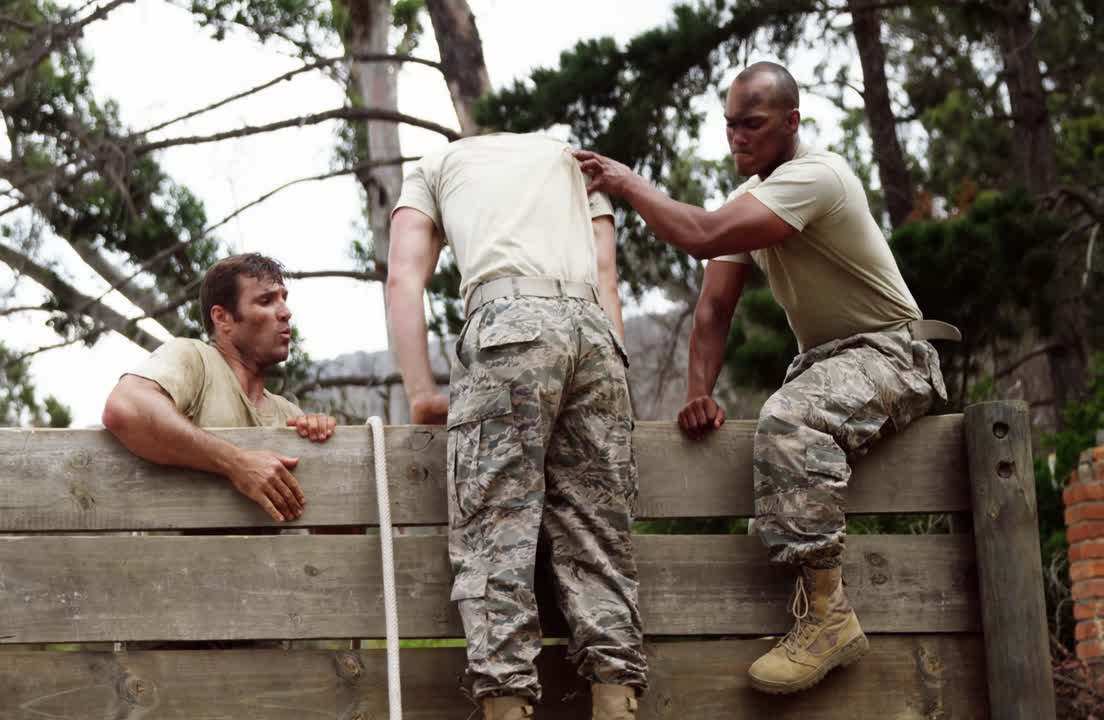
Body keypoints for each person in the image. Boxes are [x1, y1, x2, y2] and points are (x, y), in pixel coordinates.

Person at [574, 61, 957, 695]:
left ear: (791, 122)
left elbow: (701, 235)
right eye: (729, 125)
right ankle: (809, 609)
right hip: (831, 364)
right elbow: (713, 309)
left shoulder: (815, 176)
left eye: (751, 124)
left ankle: (828, 619)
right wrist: (699, 392)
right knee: (779, 456)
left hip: (895, 354)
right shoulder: (753, 200)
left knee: (789, 419)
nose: (737, 138)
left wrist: (627, 183)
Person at [388, 132, 646, 720]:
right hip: (595, 334)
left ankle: (506, 704)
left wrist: (422, 391)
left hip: (507, 322)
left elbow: (404, 277)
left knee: (494, 531)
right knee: (597, 532)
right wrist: (614, 392)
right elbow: (606, 275)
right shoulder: (571, 157)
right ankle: (617, 700)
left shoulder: (435, 164)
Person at [102, 252, 337, 524]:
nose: (285, 312)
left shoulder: (289, 415)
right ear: (222, 318)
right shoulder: (194, 358)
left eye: (284, 299)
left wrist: (323, 442)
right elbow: (124, 407)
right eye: (266, 301)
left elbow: (335, 528)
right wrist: (236, 463)